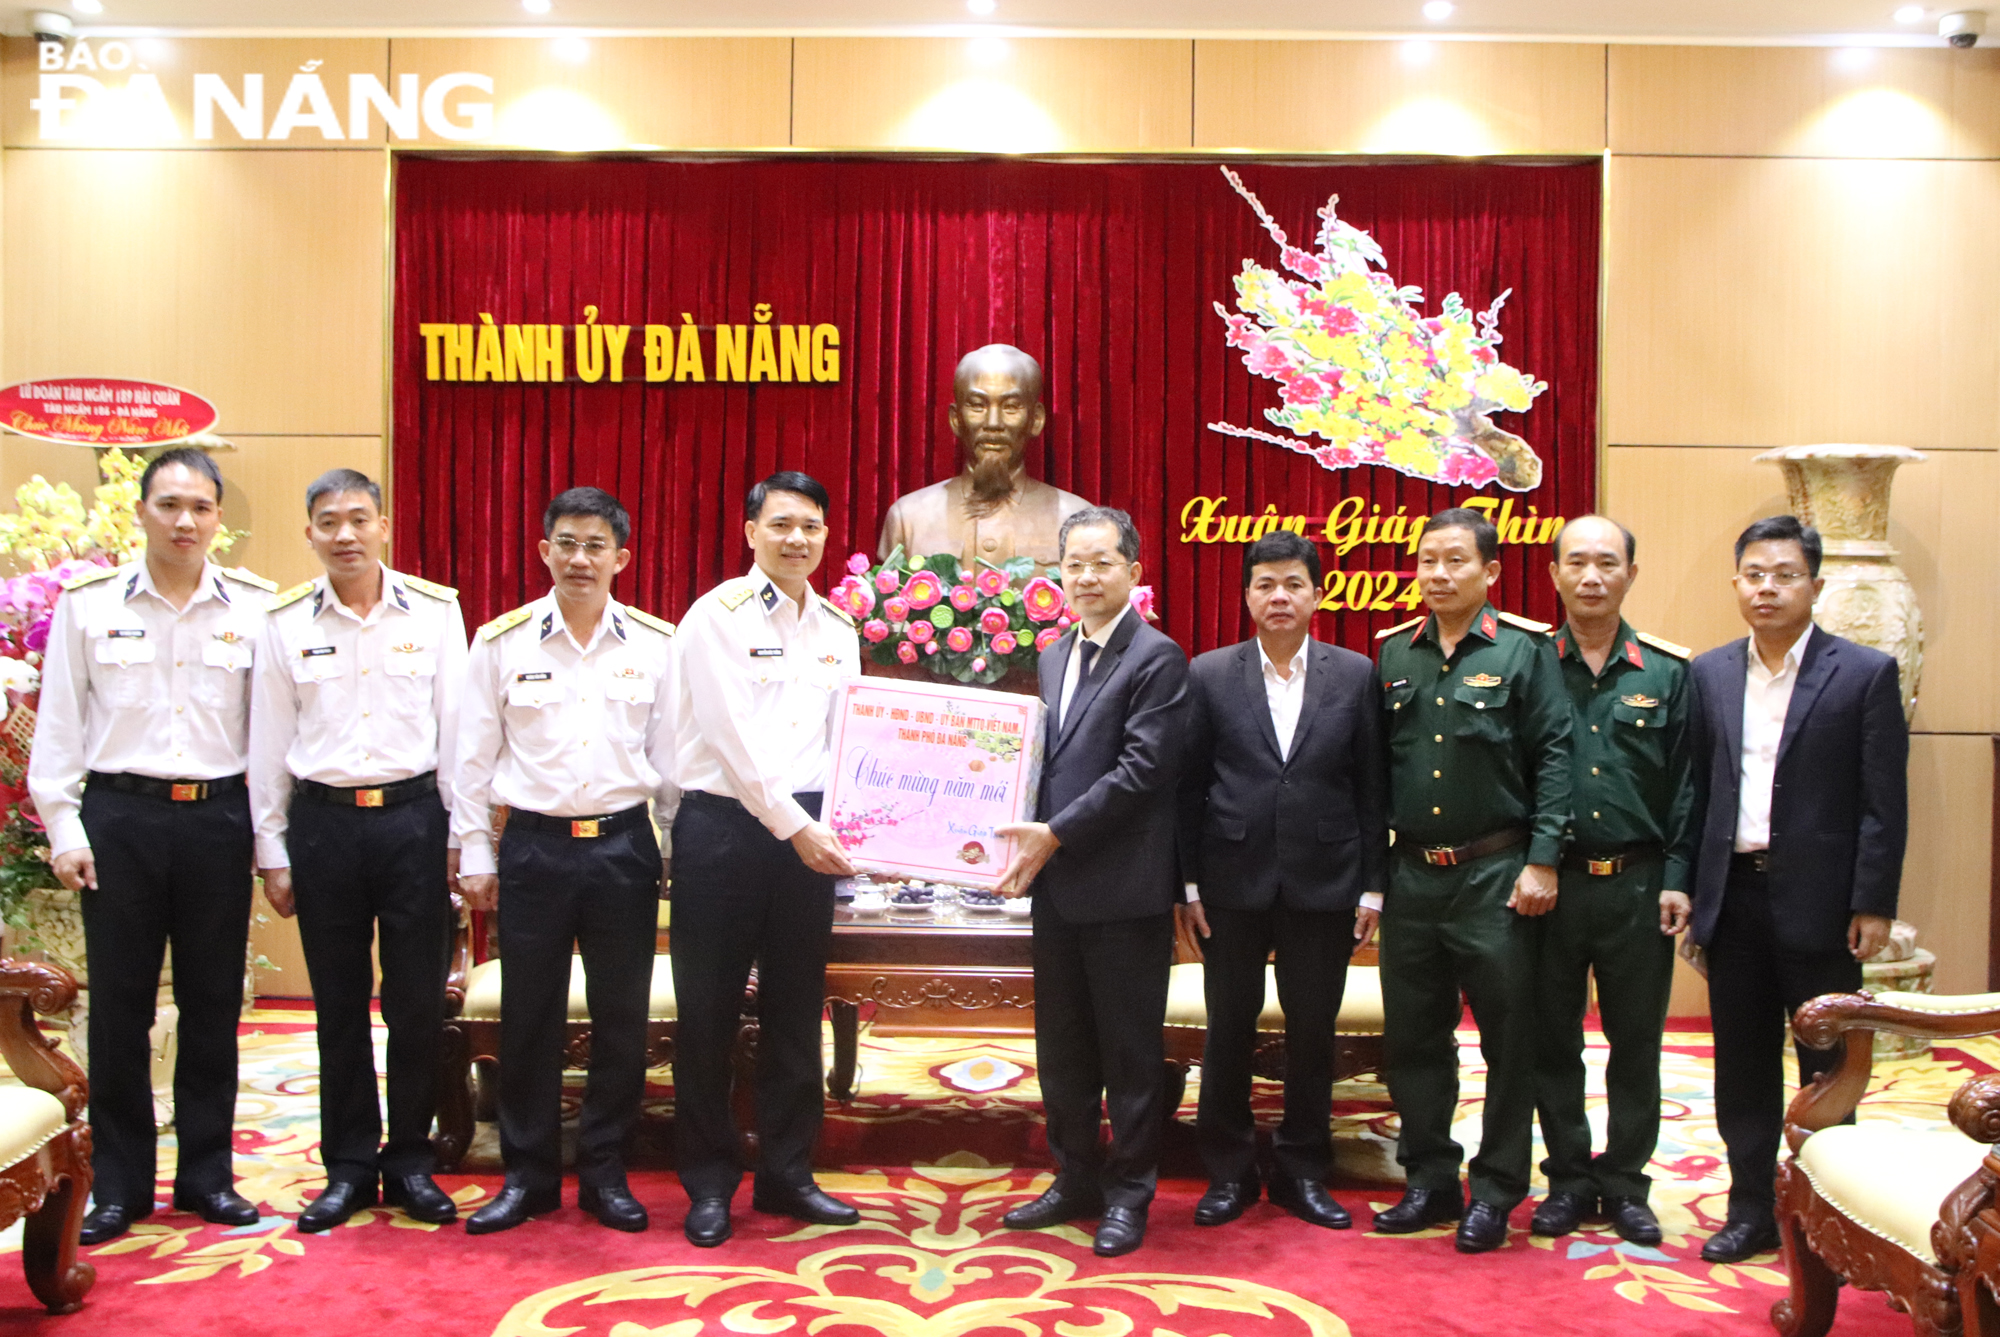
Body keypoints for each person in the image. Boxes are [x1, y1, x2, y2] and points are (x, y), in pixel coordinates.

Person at [28, 446, 277, 1244]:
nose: (184, 521)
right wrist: (65, 826)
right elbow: (60, 724)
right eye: (169, 504)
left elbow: (267, 740)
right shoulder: (88, 605)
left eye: (201, 507)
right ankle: (123, 1185)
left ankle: (208, 1177)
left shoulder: (254, 608)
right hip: (120, 819)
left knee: (212, 1005)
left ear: (217, 519)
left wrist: (265, 837)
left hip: (215, 818)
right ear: (141, 511)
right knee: (121, 1006)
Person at [452, 487, 678, 1236]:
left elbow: (673, 762)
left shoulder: (655, 645)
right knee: (529, 1017)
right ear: (545, 551)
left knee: (622, 1018)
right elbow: (471, 760)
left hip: (622, 845)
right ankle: (528, 1175)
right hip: (534, 848)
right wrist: (477, 851)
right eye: (567, 544)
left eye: (596, 546)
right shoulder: (501, 643)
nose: (581, 559)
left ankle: (606, 1171)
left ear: (622, 557)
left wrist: (674, 852)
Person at [249, 468, 465, 1232]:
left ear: (384, 526)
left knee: (414, 1004)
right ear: (309, 533)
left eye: (358, 519)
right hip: (324, 827)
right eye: (328, 521)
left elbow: (459, 739)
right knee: (337, 1005)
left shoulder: (438, 613)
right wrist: (271, 849)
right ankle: (346, 1165)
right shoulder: (281, 623)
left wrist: (463, 838)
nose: (345, 534)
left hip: (414, 823)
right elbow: (268, 744)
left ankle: (409, 1157)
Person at [1687, 514, 1906, 1264]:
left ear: (1815, 583)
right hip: (1735, 899)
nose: (1768, 587)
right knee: (1741, 1063)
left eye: (1784, 574)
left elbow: (1883, 801)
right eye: (1754, 574)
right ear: (1737, 583)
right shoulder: (1709, 672)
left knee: (1828, 1066)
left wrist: (1873, 900)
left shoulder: (1865, 672)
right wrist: (1689, 891)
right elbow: (1696, 792)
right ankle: (1749, 1207)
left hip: (1824, 905)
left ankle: (1829, 1213)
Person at [667, 470, 863, 1249]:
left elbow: (851, 737)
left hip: (808, 836)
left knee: (794, 1012)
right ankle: (709, 1182)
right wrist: (795, 827)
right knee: (708, 1013)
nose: (797, 539)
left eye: (811, 526)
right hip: (724, 830)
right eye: (781, 524)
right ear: (750, 531)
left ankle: (788, 1174)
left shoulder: (838, 627)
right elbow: (731, 741)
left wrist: (857, 824)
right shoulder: (713, 617)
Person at [1371, 506, 1571, 1254]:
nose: (1437, 574)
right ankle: (1428, 1179)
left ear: (1489, 572)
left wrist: (1544, 858)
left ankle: (1495, 1189)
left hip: (1496, 873)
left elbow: (1554, 756)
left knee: (1508, 1038)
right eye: (1427, 560)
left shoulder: (1524, 654)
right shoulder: (1394, 654)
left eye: (1455, 560)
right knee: (1415, 1039)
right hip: (1414, 874)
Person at [1178, 529, 1386, 1230]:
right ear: (1246, 595)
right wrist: (1189, 884)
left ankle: (1302, 1170)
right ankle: (1229, 1172)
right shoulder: (1208, 673)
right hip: (1230, 882)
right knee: (1228, 1029)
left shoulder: (1355, 674)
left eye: (1293, 583)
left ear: (1317, 593)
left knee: (1312, 1033)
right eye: (1265, 584)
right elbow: (1190, 786)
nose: (1279, 596)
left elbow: (1372, 789)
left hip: (1325, 881)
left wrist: (1374, 885)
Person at [995, 505, 1189, 1258]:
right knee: (1063, 1047)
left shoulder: (1157, 658)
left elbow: (1142, 771)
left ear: (1134, 573)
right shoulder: (1052, 654)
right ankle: (1074, 1176)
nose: (1085, 577)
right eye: (1073, 564)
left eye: (1102, 563)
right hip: (1058, 890)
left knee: (1129, 1052)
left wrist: (1054, 833)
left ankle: (1129, 1193)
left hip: (1125, 891)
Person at [1529, 516, 1695, 1247]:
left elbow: (1689, 787)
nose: (1591, 576)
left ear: (1631, 573)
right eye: (1577, 563)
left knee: (1636, 1041)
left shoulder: (1666, 672)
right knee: (1550, 1039)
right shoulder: (1525, 662)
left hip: (1637, 882)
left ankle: (1626, 1180)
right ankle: (1567, 1176)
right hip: (1549, 883)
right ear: (1555, 574)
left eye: (1607, 563)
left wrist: (1679, 879)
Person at [876, 344, 1092, 568]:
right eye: (977, 406)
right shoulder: (909, 519)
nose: (993, 423)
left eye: (1011, 407)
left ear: (1036, 419)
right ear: (956, 419)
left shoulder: (1078, 519)